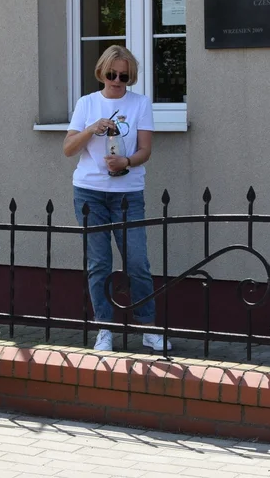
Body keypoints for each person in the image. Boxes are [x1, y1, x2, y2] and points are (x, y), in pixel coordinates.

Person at [63, 45, 169, 353]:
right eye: (112, 74)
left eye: (124, 76)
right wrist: (91, 129)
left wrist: (127, 163)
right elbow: (69, 149)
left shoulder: (140, 104)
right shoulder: (87, 103)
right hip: (89, 193)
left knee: (137, 261)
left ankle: (147, 328)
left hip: (127, 194)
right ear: (102, 73)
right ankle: (104, 330)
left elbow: (145, 150)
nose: (117, 80)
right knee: (99, 263)